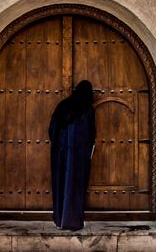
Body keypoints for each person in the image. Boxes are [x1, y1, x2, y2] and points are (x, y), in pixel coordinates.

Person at [48, 80, 96, 231]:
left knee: (60, 184)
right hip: (78, 158)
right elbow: (91, 135)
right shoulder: (87, 110)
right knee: (75, 186)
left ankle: (59, 220)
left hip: (59, 156)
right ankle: (73, 221)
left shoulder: (62, 106)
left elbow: (51, 130)